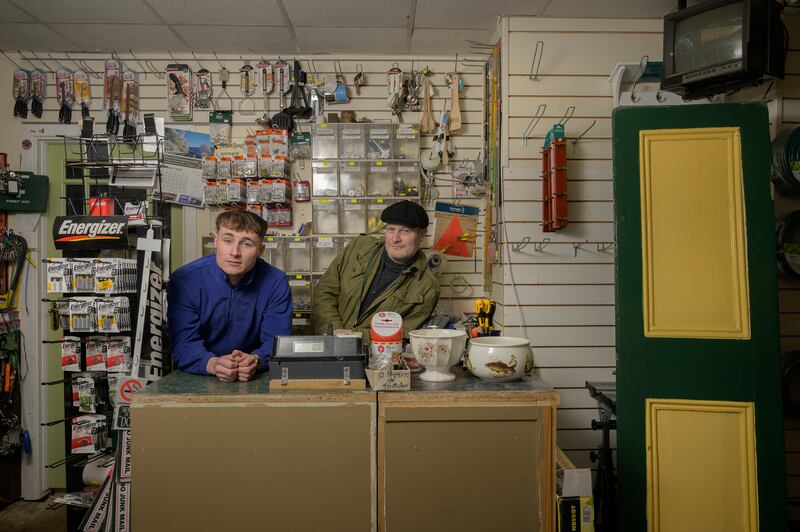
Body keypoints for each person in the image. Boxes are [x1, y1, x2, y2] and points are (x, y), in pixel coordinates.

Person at [168, 210, 291, 382]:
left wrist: (256, 360)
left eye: (247, 244)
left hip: (254, 374)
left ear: (260, 250)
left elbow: (277, 342)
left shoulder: (275, 282)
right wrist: (212, 363)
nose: (235, 252)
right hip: (199, 374)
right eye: (227, 240)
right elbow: (184, 343)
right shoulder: (185, 280)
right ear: (215, 241)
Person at [312, 200, 440, 339]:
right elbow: (325, 291)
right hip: (328, 341)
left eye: (405, 231)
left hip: (377, 356)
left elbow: (404, 333)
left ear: (422, 234)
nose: (395, 239)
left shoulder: (428, 287)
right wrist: (334, 328)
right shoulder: (359, 247)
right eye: (391, 229)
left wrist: (355, 337)